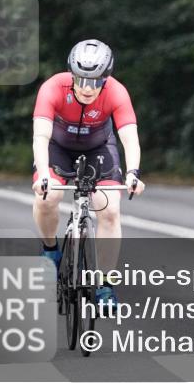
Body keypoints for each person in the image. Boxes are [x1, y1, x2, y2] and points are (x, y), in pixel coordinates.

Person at [31, 39, 145, 307]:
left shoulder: (117, 92)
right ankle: (50, 251)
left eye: (95, 81)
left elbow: (129, 137)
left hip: (99, 148)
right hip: (57, 147)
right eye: (81, 79)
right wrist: (44, 174)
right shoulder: (53, 88)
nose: (87, 88)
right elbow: (40, 135)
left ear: (106, 78)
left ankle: (105, 286)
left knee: (109, 209)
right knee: (47, 198)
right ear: (71, 74)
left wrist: (133, 173)